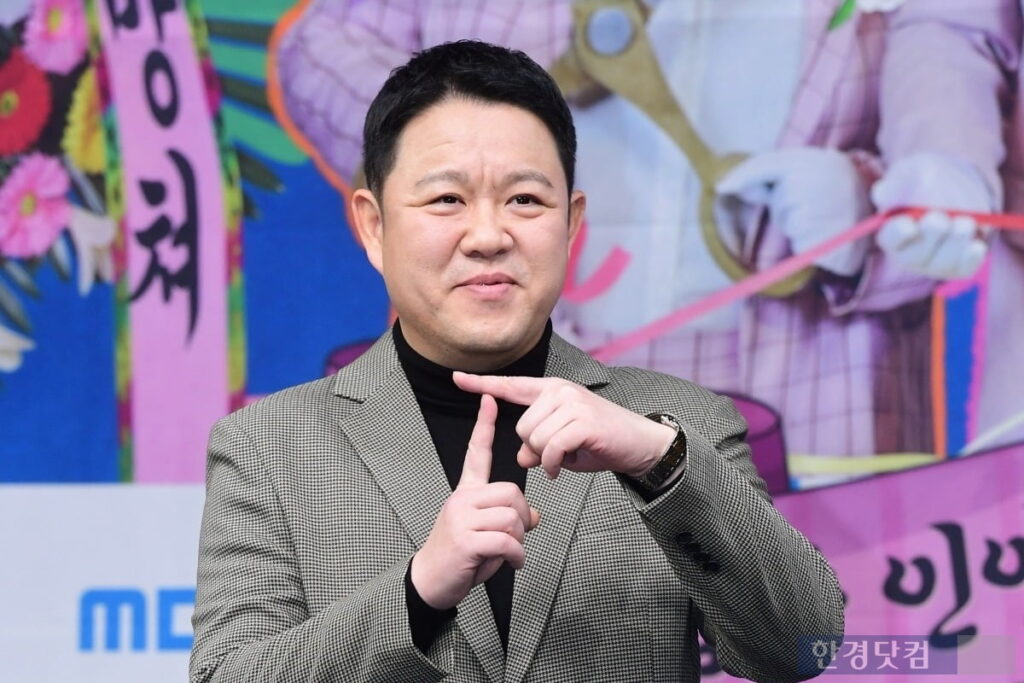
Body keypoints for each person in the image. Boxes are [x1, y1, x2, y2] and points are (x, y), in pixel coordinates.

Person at [190, 40, 843, 682]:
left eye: (525, 200)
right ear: (374, 226)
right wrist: (418, 592)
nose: (488, 236)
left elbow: (803, 647)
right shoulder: (269, 447)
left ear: (571, 224)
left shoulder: (677, 427)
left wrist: (658, 462)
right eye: (447, 200)